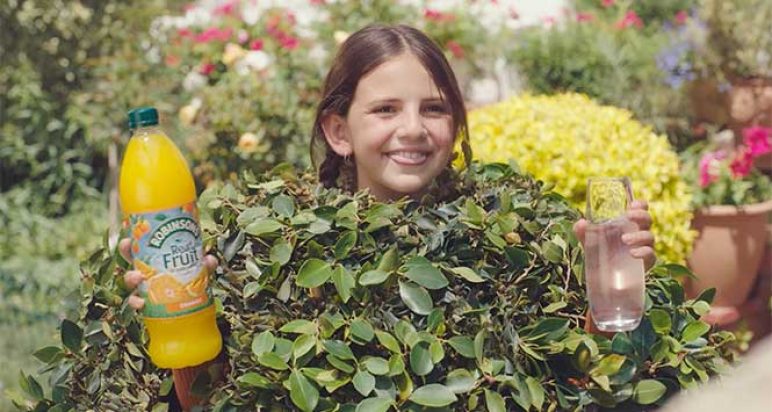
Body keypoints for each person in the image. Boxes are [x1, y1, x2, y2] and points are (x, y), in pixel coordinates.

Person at [119, 23, 656, 409]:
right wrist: (180, 319)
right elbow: (207, 402)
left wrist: (610, 294)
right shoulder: (264, 253)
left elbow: (587, 390)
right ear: (339, 131)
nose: (414, 130)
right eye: (385, 109)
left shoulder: (515, 241)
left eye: (434, 108)